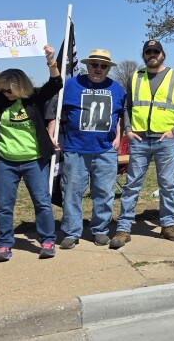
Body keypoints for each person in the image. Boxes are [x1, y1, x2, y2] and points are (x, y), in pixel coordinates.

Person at [0, 45, 62, 262]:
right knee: (4, 205)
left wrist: (51, 61)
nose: (5, 94)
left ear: (20, 87)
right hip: (6, 162)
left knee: (41, 201)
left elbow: (56, 83)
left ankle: (48, 240)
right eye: (2, 90)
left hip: (34, 161)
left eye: (9, 90)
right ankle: (3, 245)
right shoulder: (1, 101)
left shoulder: (33, 99)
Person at [112, 40, 174, 249]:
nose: (152, 55)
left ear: (162, 55)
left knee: (167, 185)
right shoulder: (135, 77)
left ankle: (167, 225)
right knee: (131, 185)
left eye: (155, 52)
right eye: (148, 52)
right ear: (144, 55)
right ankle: (123, 229)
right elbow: (127, 107)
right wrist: (128, 130)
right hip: (139, 140)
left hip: (164, 140)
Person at [54, 49, 126, 249]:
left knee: (104, 192)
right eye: (94, 65)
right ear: (87, 65)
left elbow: (120, 115)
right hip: (76, 149)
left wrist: (119, 136)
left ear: (108, 69)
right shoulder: (71, 85)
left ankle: (100, 230)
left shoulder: (116, 88)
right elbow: (58, 112)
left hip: (105, 150)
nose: (98, 69)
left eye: (103, 66)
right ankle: (71, 231)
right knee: (72, 192)